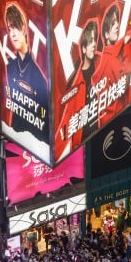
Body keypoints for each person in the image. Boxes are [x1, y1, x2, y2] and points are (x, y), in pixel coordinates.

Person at [2, 1, 48, 141]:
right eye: (9, 28)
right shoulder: (9, 65)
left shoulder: (39, 71)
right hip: (15, 136)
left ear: (23, 28)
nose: (12, 34)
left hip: (38, 141)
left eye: (15, 27)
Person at [54, 21, 99, 161]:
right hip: (82, 145)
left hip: (103, 128)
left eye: (95, 40)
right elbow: (66, 120)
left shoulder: (102, 63)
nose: (94, 45)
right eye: (90, 41)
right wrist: (54, 155)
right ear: (83, 49)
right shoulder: (75, 82)